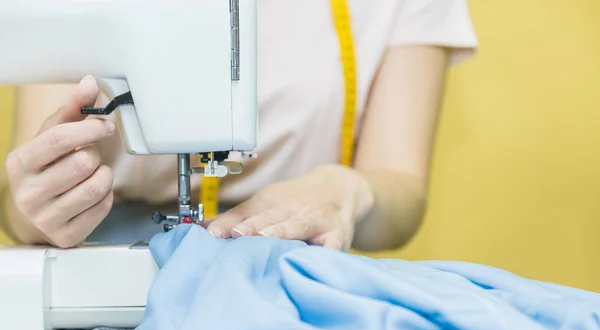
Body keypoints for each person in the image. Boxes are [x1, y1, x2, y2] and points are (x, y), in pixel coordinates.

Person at [0, 0, 478, 252]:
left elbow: (402, 190)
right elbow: (21, 191)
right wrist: (36, 207)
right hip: (97, 240)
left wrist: (349, 192)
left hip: (297, 260)